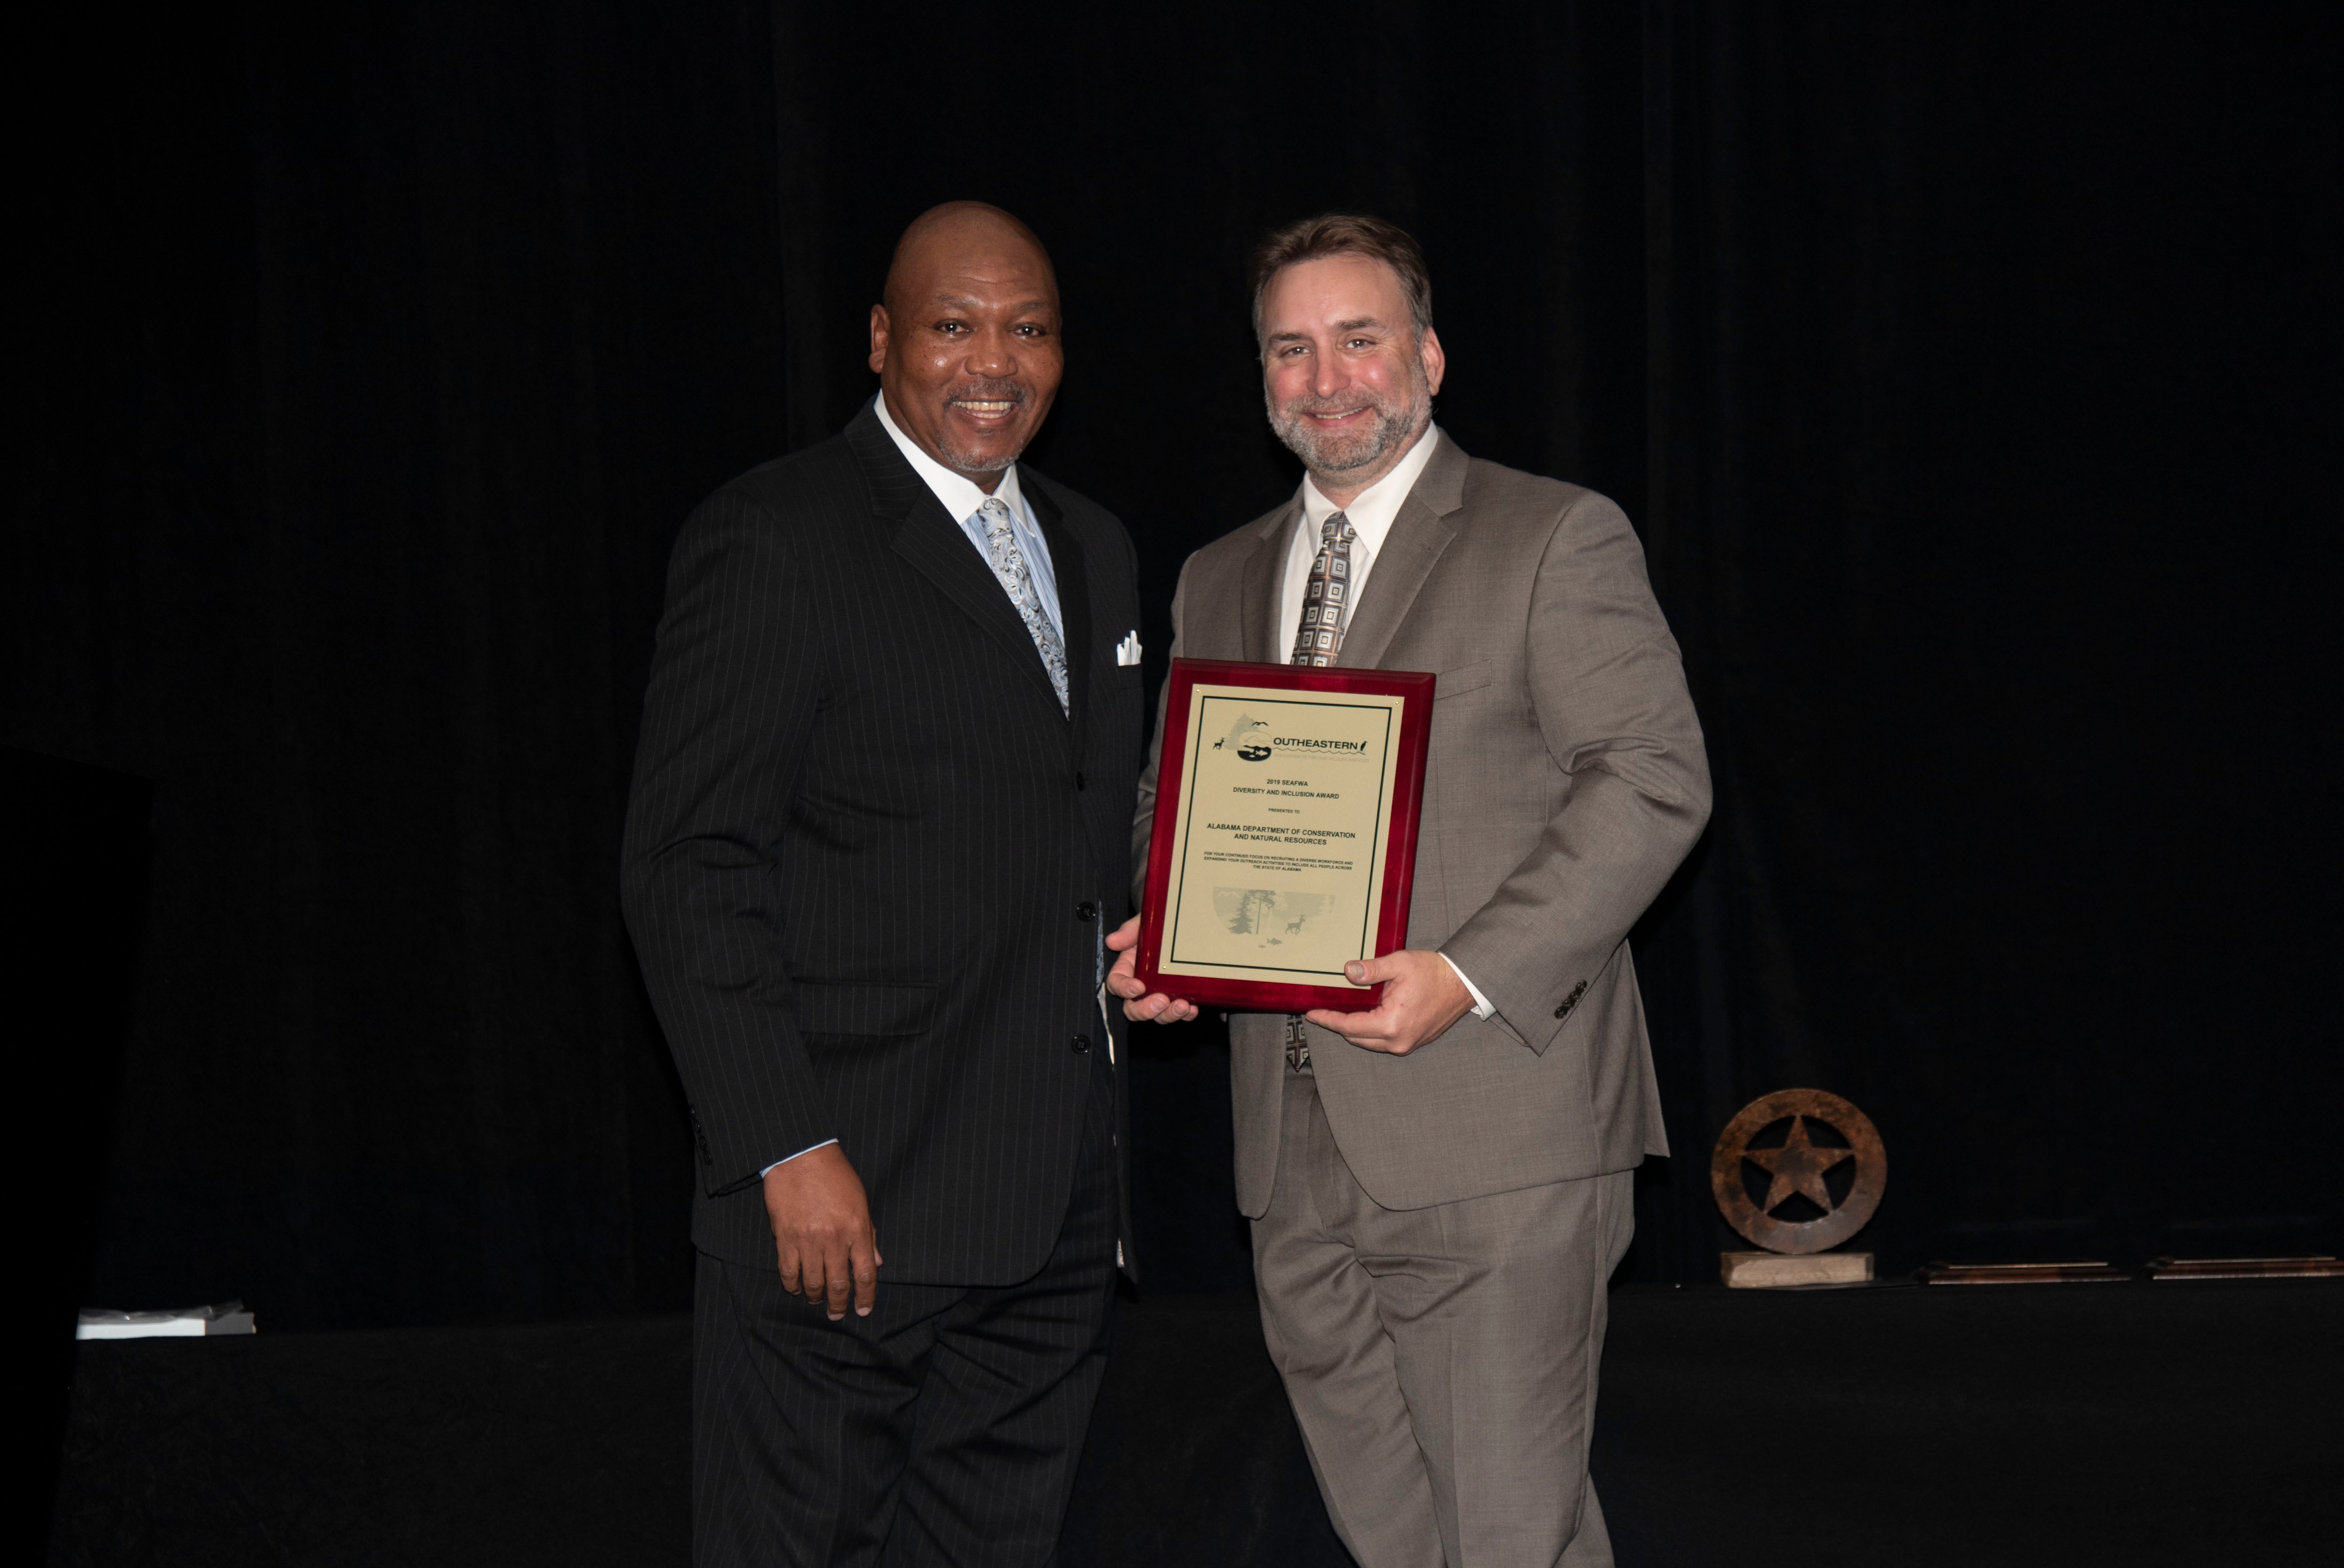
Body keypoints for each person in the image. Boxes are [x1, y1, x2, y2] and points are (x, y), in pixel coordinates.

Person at [1108, 214, 1710, 1567]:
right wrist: (1172, 936)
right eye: (1291, 348)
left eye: (1360, 338)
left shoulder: (1554, 534)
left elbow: (1656, 778)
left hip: (1499, 1126)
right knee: (1409, 1544)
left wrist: (1470, 968)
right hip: (1290, 1154)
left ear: (1428, 356)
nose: (1328, 378)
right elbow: (1184, 803)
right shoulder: (1220, 573)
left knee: (1509, 1536)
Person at [623, 202, 1145, 1568]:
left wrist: (1166, 937)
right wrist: (785, 1146)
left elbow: (1075, 833)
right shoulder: (777, 537)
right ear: (880, 342)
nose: (995, 361)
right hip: (842, 1210)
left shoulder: (1095, 549)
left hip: (1046, 1218)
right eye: (954, 325)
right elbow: (687, 864)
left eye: (1027, 329)